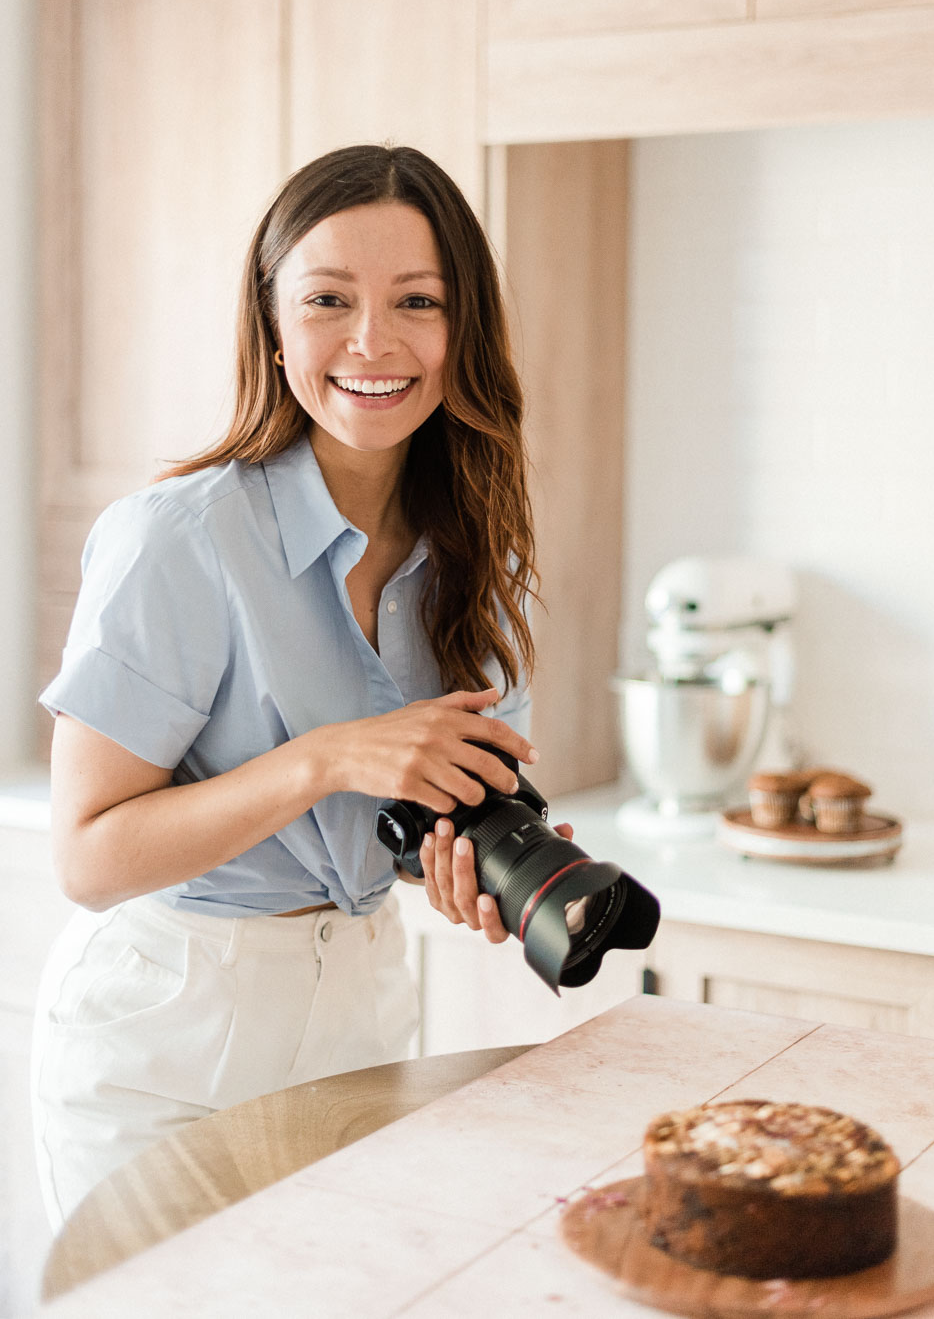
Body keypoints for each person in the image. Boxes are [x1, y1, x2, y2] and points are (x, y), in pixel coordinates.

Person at [31, 143, 572, 1228]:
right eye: (328, 299)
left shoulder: (474, 551)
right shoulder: (176, 540)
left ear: (460, 330)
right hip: (164, 1045)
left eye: (416, 301)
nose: (372, 341)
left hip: (360, 1021)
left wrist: (463, 864)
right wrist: (328, 756)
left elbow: (407, 822)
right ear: (273, 329)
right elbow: (88, 859)